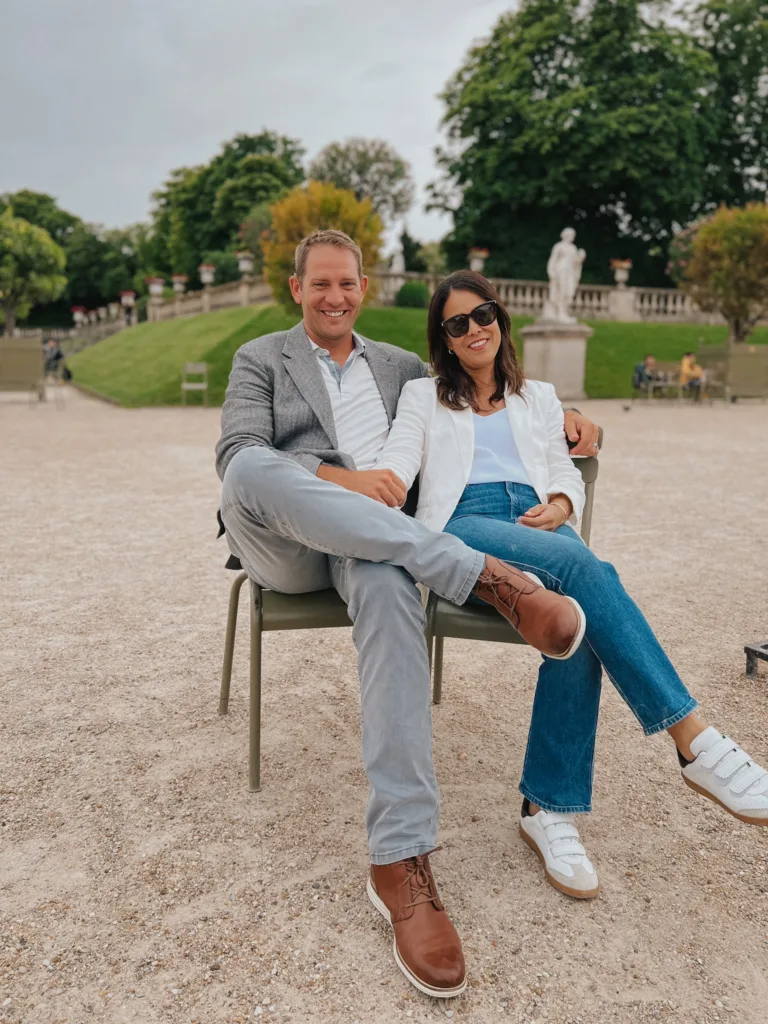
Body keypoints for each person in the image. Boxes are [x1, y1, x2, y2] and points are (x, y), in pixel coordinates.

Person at [216, 230, 600, 1000]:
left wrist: (571, 417)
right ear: (297, 289)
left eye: (346, 284)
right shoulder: (260, 358)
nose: (334, 297)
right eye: (319, 284)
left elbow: (485, 393)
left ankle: (399, 859)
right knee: (251, 465)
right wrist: (338, 480)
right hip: (290, 544)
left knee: (392, 578)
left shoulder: (399, 368)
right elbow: (238, 453)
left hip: (378, 551)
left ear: (364, 288)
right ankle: (482, 577)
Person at [375, 269, 768, 913]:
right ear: (443, 339)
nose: (473, 329)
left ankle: (546, 808)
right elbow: (395, 469)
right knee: (594, 573)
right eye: (456, 324)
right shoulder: (424, 398)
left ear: (500, 320)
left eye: (483, 315)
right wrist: (339, 483)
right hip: (466, 527)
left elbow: (564, 472)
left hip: (537, 525)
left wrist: (561, 502)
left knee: (581, 612)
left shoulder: (542, 397)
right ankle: (698, 744)